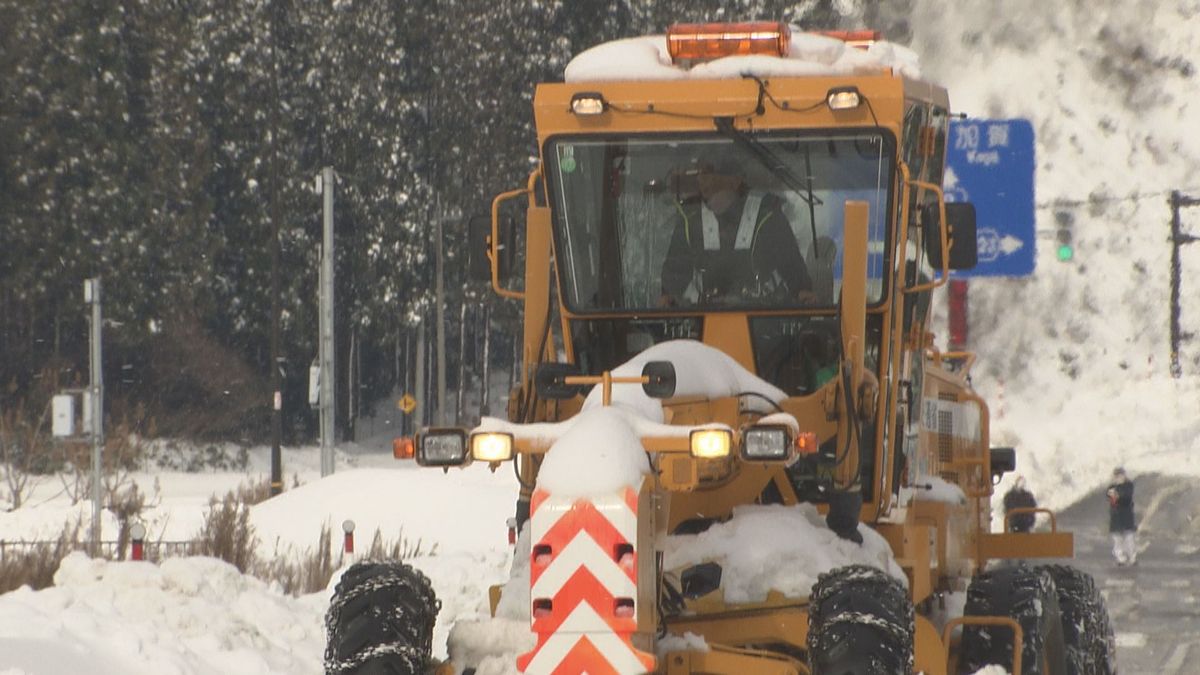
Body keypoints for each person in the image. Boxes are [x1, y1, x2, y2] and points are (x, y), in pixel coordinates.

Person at [659, 158, 811, 306]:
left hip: (761, 318)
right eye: (701, 179)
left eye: (710, 178)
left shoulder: (768, 217)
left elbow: (791, 265)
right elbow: (674, 272)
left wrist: (803, 291)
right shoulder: (691, 221)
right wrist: (667, 297)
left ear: (734, 181)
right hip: (707, 317)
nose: (703, 184)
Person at [1107, 467, 1138, 566]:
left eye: (1121, 476)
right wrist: (1115, 494)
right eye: (1117, 476)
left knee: (1129, 539)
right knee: (1117, 540)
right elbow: (1111, 499)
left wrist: (1117, 494)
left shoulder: (1128, 485)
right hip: (1116, 518)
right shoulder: (1112, 487)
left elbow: (1125, 496)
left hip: (1127, 517)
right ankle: (1121, 558)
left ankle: (1132, 557)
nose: (1119, 478)